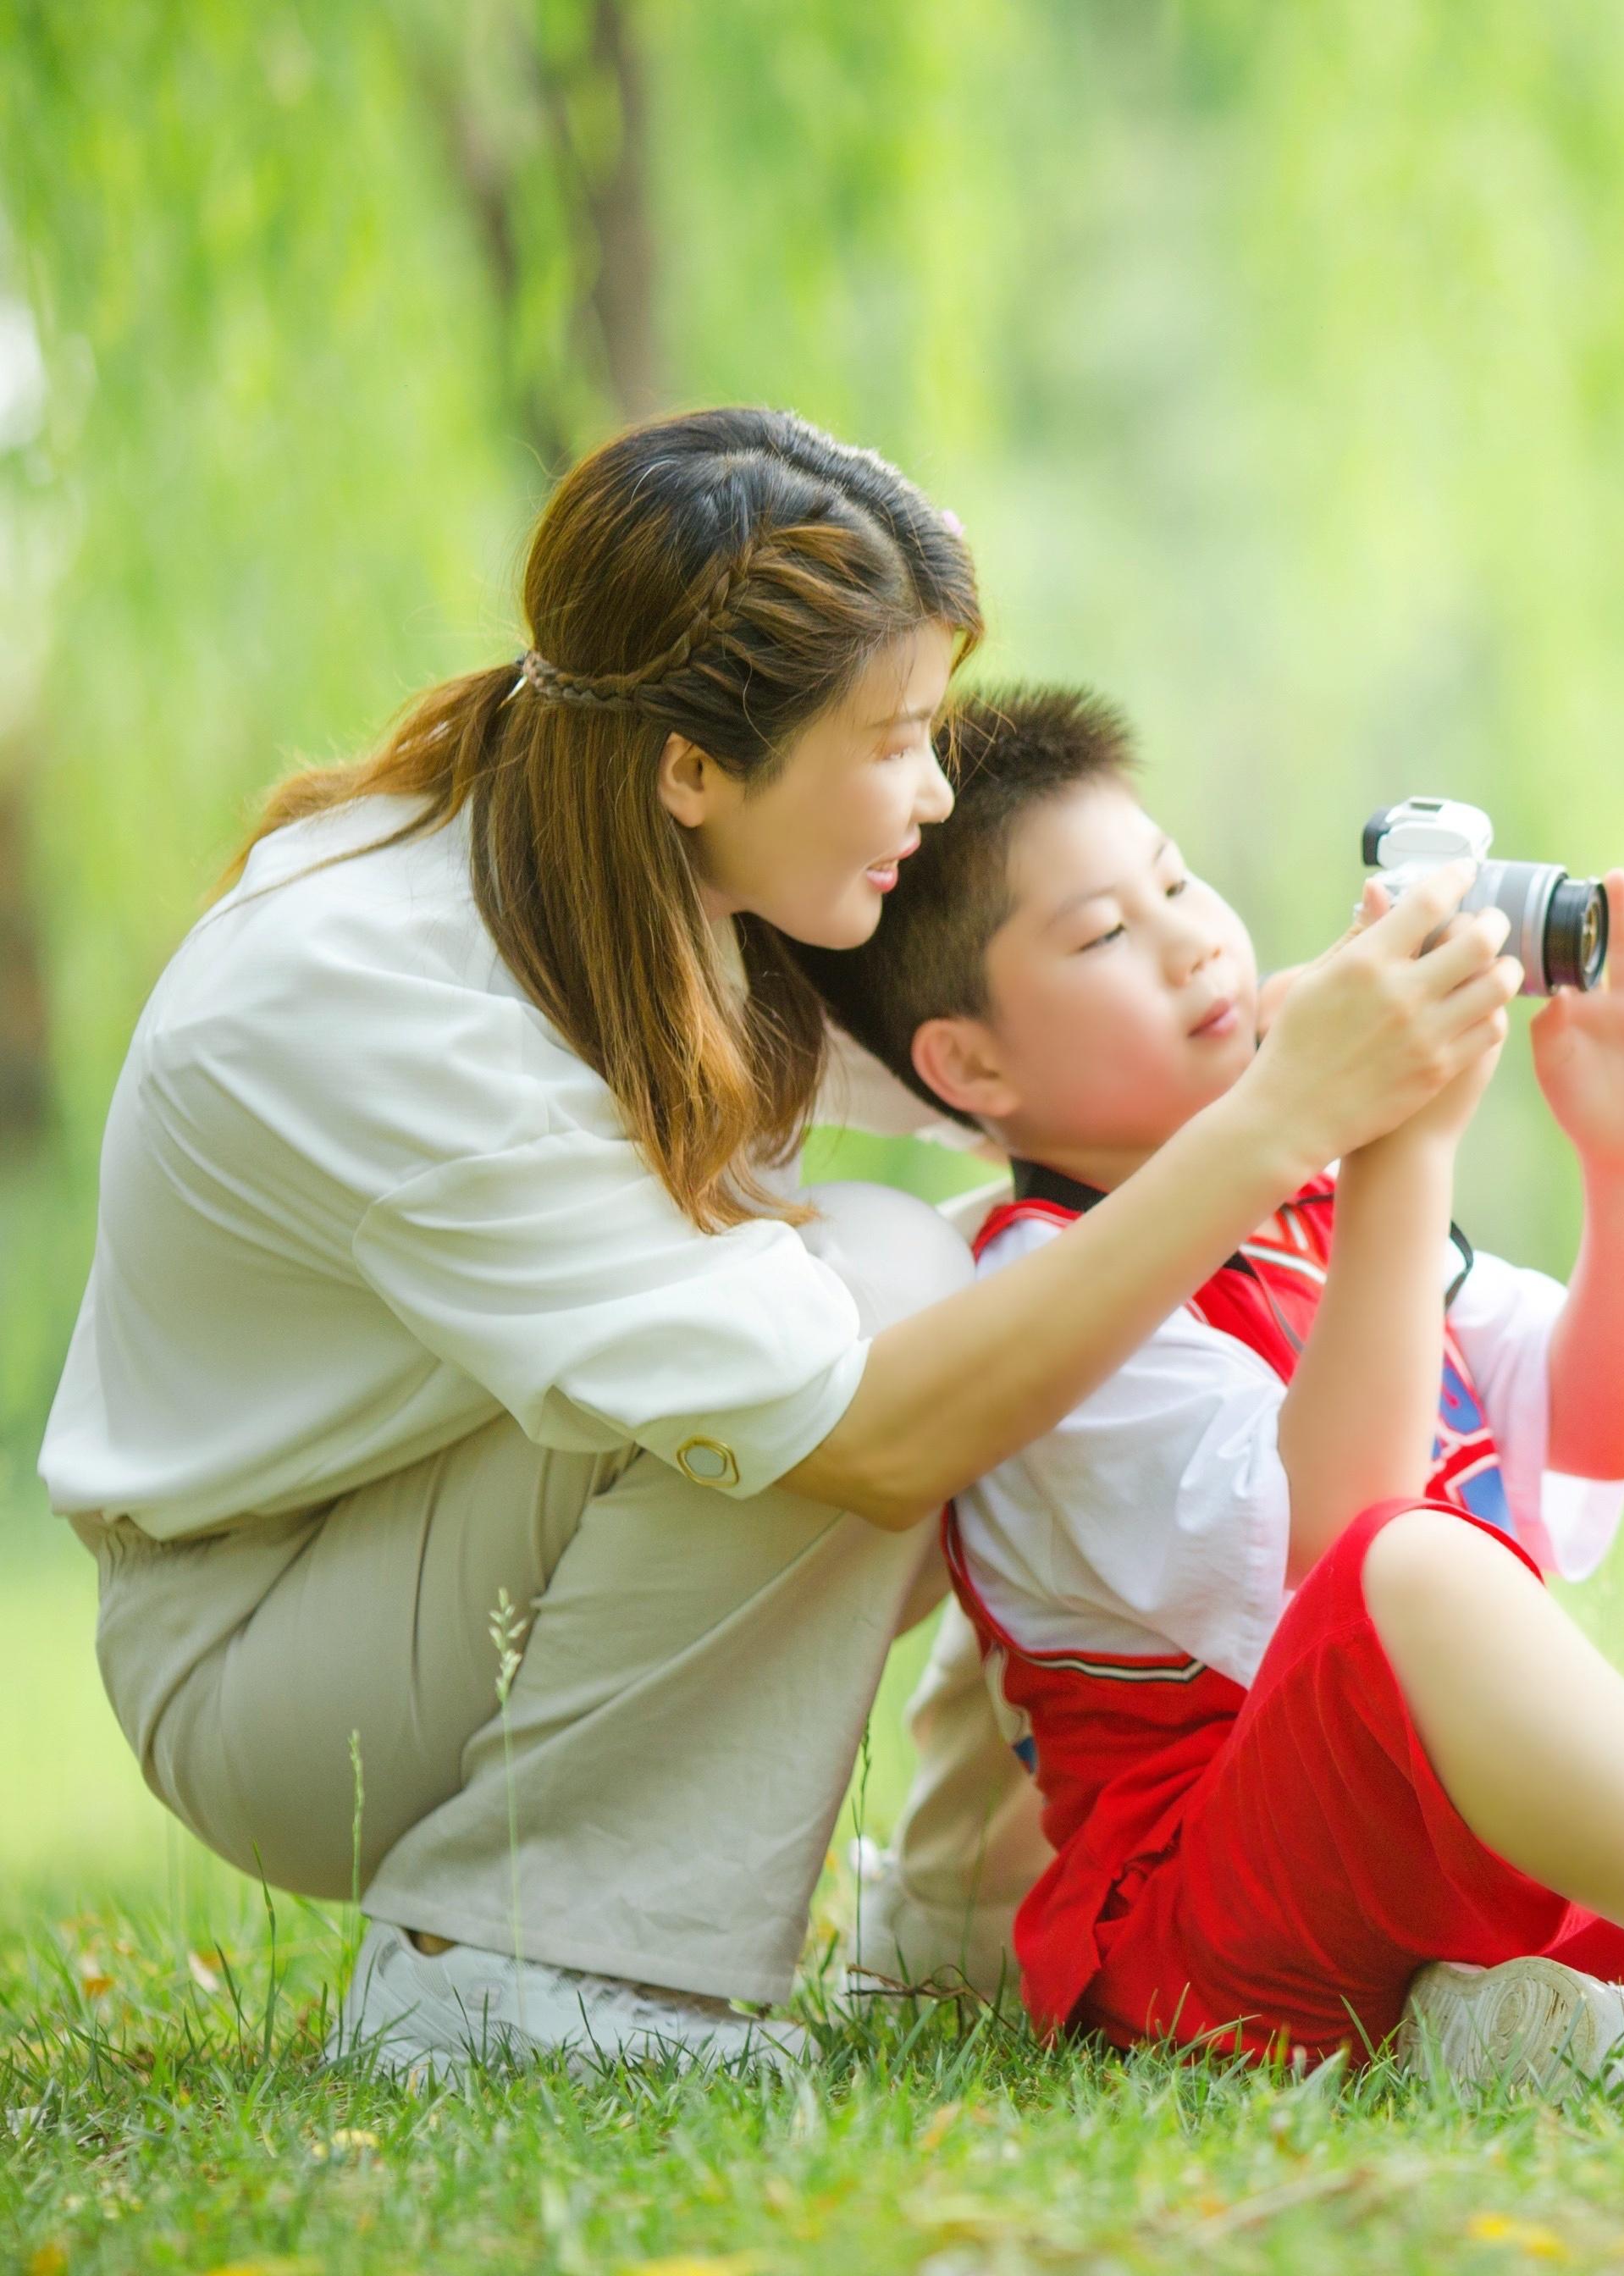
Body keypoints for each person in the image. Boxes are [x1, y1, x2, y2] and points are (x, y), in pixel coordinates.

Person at [41, 409, 1516, 2078]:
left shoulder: (650, 853)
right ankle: (512, 1963)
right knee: (890, 1297)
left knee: (996, 1258)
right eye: (894, 738)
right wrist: (1277, 1127)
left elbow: (1046, 1075)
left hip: (449, 1520)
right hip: (280, 1657)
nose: (938, 789)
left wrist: (1292, 1029)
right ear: (695, 762)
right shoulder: (380, 1006)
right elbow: (876, 1443)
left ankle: (971, 1895)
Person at [802, 684, 1624, 2101]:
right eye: (1108, 934)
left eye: (1180, 879)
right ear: (972, 1064)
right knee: (1416, 1567)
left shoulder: (1317, 1214)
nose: (1194, 939)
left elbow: (1601, 1421)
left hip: (1472, 1844)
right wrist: (1393, 1147)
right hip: (1228, 1937)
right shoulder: (1054, 1307)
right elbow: (1352, 1565)